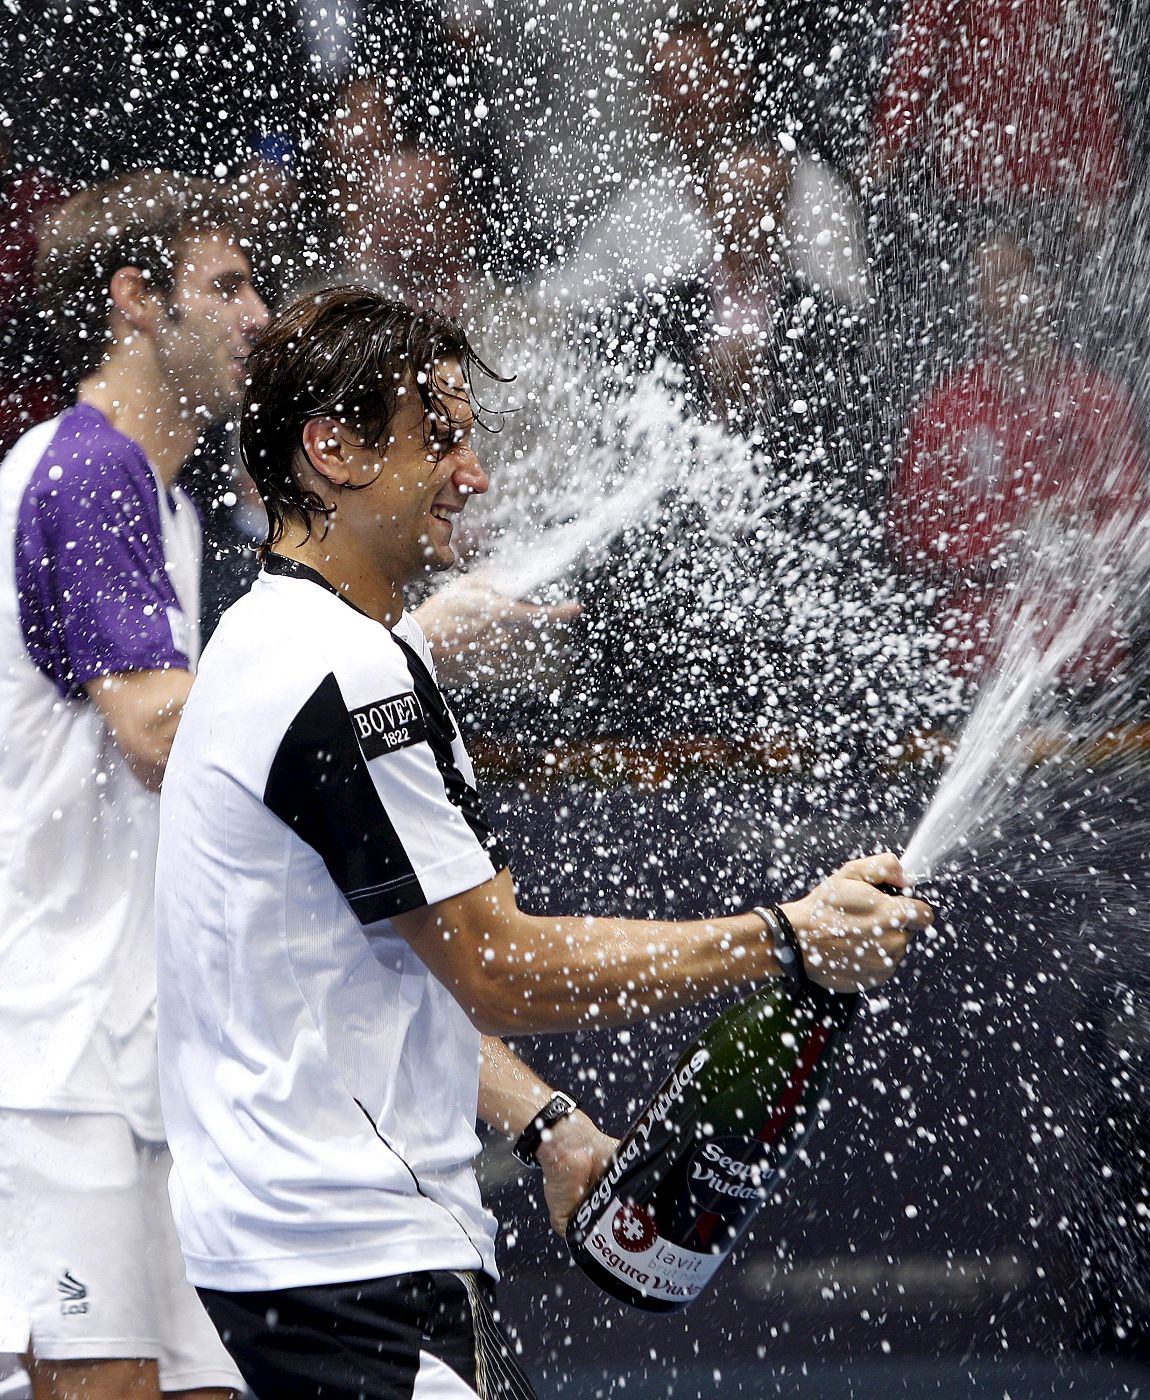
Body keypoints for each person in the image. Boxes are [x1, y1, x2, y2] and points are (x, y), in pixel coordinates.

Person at [154, 284, 933, 1399]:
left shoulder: (275, 639)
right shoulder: (338, 667)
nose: (471, 478)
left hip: (305, 1257)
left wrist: (549, 1127)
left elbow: (389, 977)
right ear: (332, 449)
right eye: (442, 441)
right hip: (352, 1265)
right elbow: (498, 964)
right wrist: (787, 936)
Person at [0, 171, 266, 1398]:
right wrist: (384, 666)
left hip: (148, 1055)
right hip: (54, 1063)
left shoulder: (169, 503)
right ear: (135, 304)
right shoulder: (85, 471)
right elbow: (162, 734)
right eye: (224, 285)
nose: (256, 313)